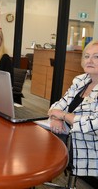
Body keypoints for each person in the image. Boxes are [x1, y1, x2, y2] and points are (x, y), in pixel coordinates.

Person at [48, 40, 98, 177]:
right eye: (87, 56)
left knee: (35, 150)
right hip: (67, 136)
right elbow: (57, 106)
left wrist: (63, 116)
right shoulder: (81, 80)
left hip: (88, 146)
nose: (90, 60)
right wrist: (56, 118)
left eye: (96, 56)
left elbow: (93, 125)